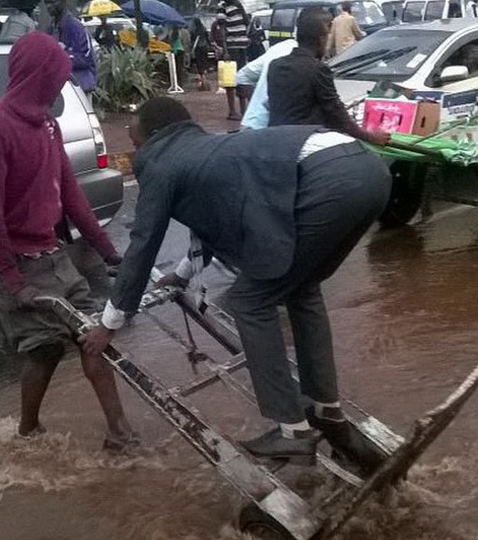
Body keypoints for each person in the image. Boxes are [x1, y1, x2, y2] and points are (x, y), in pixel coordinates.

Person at [82, 97, 392, 470]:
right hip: (369, 170)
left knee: (249, 301)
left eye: (135, 142)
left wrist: (108, 323)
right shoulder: (208, 148)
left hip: (330, 180)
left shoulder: (160, 161)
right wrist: (183, 274)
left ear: (154, 136)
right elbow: (211, 219)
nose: (136, 151)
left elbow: (143, 244)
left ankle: (292, 432)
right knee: (302, 287)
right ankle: (325, 409)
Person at [0, 32, 134, 449]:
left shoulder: (47, 124)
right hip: (14, 262)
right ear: (35, 76)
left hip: (51, 252)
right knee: (43, 351)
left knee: (95, 336)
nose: (60, 86)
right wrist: (12, 279)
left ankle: (120, 434)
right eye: (55, 78)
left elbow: (71, 194)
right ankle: (28, 430)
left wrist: (107, 250)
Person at [267, 8, 390, 147]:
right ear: (321, 39)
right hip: (304, 144)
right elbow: (336, 113)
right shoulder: (317, 69)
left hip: (275, 141)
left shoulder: (275, 66)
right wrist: (370, 137)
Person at [44, 0, 97, 95]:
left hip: (81, 86)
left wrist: (62, 54)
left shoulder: (75, 26)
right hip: (61, 88)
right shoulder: (51, 27)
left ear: (63, 2)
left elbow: (85, 58)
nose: (49, 7)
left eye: (53, 3)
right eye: (47, 3)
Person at [216, 0, 250, 120]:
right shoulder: (222, 7)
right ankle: (232, 111)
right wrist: (225, 50)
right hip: (231, 47)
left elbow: (247, 23)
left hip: (242, 46)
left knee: (242, 78)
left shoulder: (239, 5)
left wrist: (240, 6)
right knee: (230, 81)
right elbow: (222, 29)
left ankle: (243, 110)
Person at [190, 16, 212, 91]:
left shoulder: (194, 30)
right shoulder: (204, 29)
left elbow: (192, 39)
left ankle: (202, 77)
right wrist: (210, 46)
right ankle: (204, 77)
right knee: (204, 61)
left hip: (198, 48)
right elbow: (208, 38)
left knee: (199, 63)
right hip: (204, 47)